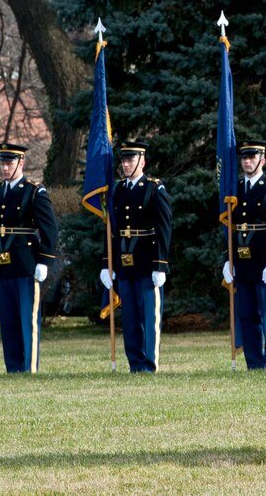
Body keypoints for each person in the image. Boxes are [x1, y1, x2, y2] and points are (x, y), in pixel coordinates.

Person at [0, 143, 58, 374]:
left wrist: (45, 261)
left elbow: (50, 229)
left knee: (27, 319)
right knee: (8, 321)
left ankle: (29, 366)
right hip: (3, 265)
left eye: (9, 163)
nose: (5, 168)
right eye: (2, 163)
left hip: (26, 263)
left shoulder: (34, 191)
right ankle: (13, 367)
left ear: (21, 163)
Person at [100, 140, 172, 373]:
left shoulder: (154, 188)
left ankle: (149, 364)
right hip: (124, 262)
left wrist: (160, 264)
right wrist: (106, 263)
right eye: (124, 160)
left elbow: (163, 228)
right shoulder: (118, 190)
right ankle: (135, 363)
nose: (126, 164)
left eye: (131, 160)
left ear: (143, 161)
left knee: (149, 318)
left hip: (147, 261)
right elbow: (112, 229)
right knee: (130, 318)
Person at [222, 139, 266, 370]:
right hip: (242, 262)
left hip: (263, 260)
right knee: (246, 315)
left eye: (252, 157)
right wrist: (228, 258)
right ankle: (254, 362)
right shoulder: (234, 189)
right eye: (244, 158)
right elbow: (229, 228)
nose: (247, 161)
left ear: (262, 160)